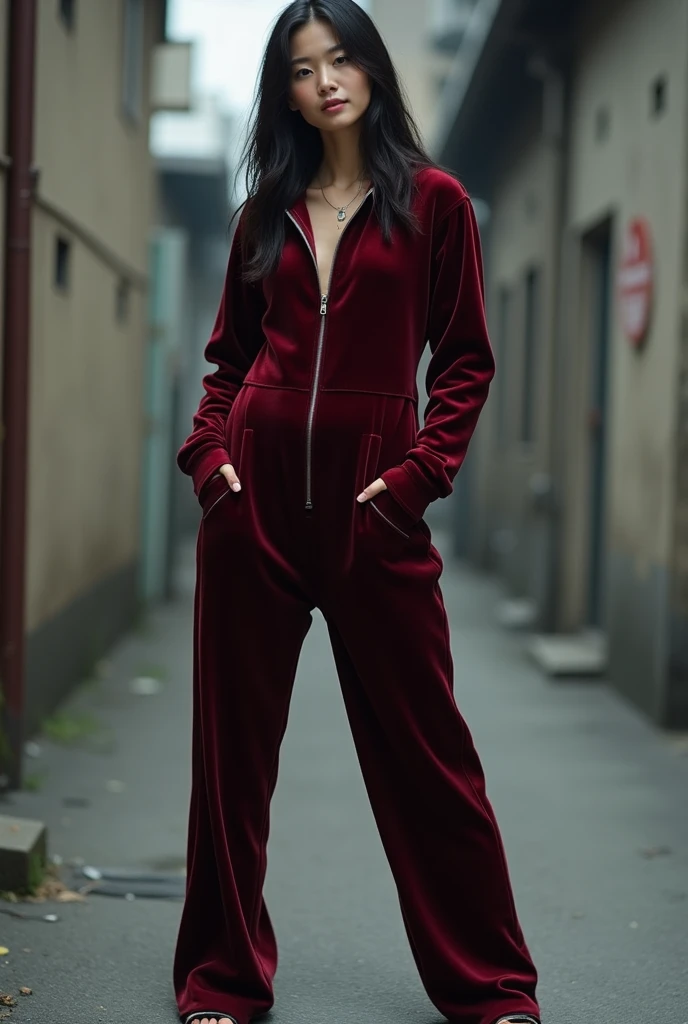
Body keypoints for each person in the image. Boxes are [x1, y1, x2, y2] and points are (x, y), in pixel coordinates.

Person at [173, 3, 541, 1024]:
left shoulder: (437, 203)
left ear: (373, 67)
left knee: (431, 757)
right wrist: (210, 460)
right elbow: (226, 364)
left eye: (341, 57)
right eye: (301, 67)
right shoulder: (265, 213)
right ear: (283, 90)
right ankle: (222, 977)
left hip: (374, 516)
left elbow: (464, 361)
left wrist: (416, 479)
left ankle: (494, 988)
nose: (325, 79)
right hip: (251, 513)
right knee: (230, 766)